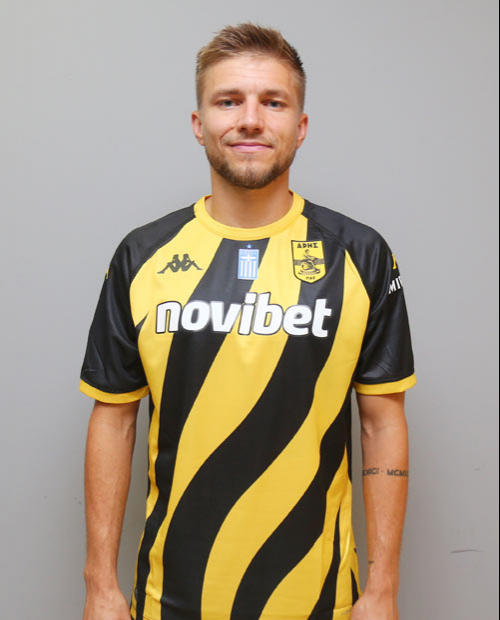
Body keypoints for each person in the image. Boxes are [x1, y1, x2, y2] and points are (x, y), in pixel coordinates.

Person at [80, 23, 416, 620]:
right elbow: (113, 420)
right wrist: (99, 584)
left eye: (273, 102)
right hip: (170, 600)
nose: (251, 120)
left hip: (320, 601)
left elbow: (382, 424)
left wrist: (383, 587)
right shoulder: (142, 256)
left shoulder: (361, 257)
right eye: (229, 101)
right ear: (198, 123)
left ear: (301, 126)